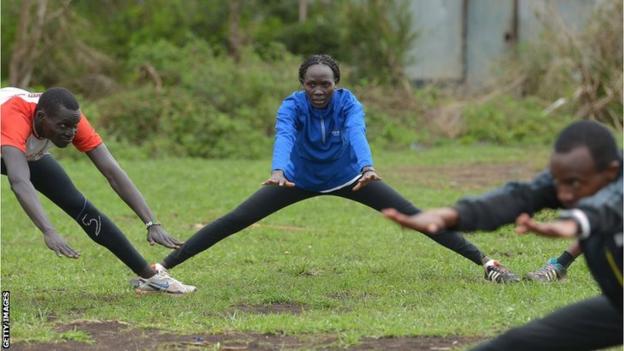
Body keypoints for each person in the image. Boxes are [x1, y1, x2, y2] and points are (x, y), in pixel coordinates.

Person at [155, 54, 519, 283]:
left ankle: (487, 263)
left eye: (325, 84)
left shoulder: (347, 104)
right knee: (235, 219)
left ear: (335, 84)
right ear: (302, 85)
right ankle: (161, 269)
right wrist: (279, 170)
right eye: (311, 84)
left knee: (416, 216)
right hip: (294, 180)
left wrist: (367, 167)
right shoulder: (292, 106)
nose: (318, 90)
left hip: (353, 179)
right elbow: (283, 134)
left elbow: (356, 132)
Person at [383, 120, 622, 351]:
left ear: (610, 171)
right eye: (558, 182)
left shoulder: (612, 195)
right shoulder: (578, 178)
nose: (564, 194)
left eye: (573, 184)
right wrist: (450, 215)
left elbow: (609, 206)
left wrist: (575, 222)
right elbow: (519, 197)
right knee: (515, 343)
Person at [1, 87, 195, 294]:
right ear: (40, 117)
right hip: (9, 145)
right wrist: (48, 230)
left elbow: (112, 171)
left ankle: (150, 278)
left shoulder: (68, 117)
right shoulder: (13, 118)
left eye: (74, 127)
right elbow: (20, 181)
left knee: (79, 205)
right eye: (63, 127)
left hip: (24, 152)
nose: (70, 133)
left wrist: (151, 222)